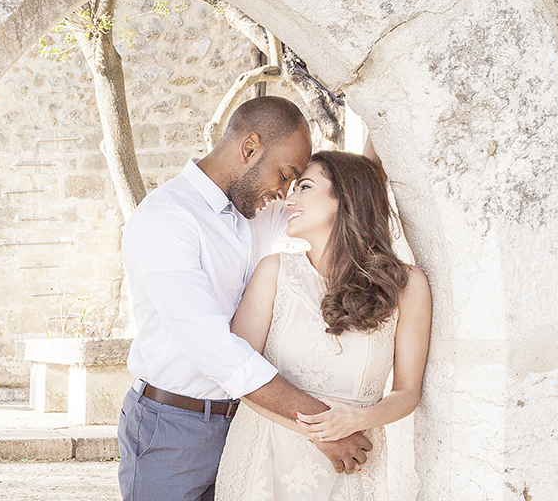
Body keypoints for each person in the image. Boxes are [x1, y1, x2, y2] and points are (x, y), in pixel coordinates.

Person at [118, 96, 374, 501]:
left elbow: (349, 195)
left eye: (296, 182)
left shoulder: (253, 208)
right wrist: (321, 426)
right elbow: (218, 351)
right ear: (250, 148)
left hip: (245, 428)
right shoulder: (165, 220)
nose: (286, 191)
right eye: (286, 173)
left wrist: (381, 108)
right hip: (171, 430)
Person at [214, 149, 431, 500]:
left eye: (305, 187)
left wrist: (358, 421)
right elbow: (239, 373)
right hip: (265, 454)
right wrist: (323, 433)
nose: (289, 199)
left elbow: (407, 393)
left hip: (352, 462)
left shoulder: (407, 285)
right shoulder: (274, 271)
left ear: (345, 197)